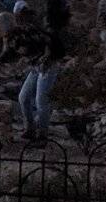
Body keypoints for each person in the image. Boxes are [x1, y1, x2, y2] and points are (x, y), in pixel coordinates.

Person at [14, 7, 68, 143]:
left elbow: (49, 51)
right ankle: (30, 128)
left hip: (48, 67)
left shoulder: (45, 32)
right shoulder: (31, 32)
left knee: (41, 101)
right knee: (24, 97)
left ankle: (42, 134)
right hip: (37, 67)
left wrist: (41, 59)